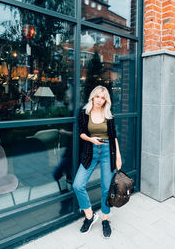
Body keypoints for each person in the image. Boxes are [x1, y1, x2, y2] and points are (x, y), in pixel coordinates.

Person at [73, 85, 122, 238]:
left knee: (106, 188)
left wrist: (118, 157)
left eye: (103, 97)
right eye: (97, 97)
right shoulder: (84, 112)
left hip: (108, 152)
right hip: (90, 151)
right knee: (77, 184)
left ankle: (105, 220)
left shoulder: (109, 114)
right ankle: (90, 216)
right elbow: (81, 132)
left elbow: (114, 137)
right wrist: (90, 139)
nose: (99, 100)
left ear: (105, 100)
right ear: (92, 97)